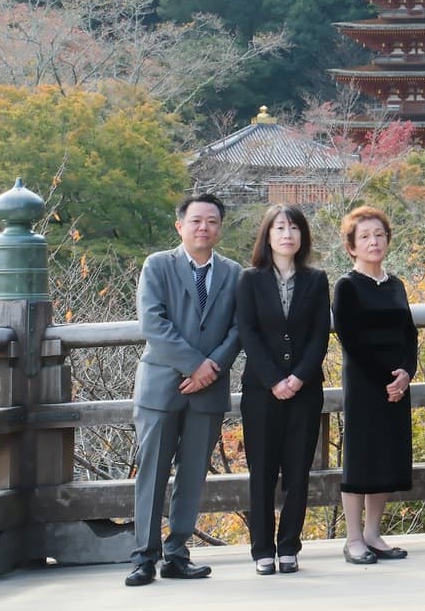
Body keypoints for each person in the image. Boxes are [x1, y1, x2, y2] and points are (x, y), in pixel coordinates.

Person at [125, 194, 242, 587]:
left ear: (220, 227)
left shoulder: (234, 273)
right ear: (180, 226)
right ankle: (144, 556)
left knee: (192, 475)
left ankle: (177, 553)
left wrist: (211, 370)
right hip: (161, 385)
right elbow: (153, 324)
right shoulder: (158, 265)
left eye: (211, 221)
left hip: (208, 389)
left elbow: (239, 329)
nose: (203, 227)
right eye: (195, 221)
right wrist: (195, 365)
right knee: (152, 473)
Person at [235, 204, 331, 574]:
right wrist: (274, 378)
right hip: (261, 391)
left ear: (302, 235)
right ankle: (262, 549)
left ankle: (289, 545)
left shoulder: (316, 279)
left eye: (294, 228)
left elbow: (320, 334)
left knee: (298, 470)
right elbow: (249, 333)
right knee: (261, 470)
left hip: (306, 389)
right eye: (279, 228)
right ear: (267, 235)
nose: (287, 234)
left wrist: (299, 377)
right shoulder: (250, 279)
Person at [333, 207, 416, 564]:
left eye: (379, 235)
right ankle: (353, 539)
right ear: (351, 246)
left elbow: (409, 333)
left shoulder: (396, 284)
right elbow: (351, 339)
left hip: (397, 383)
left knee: (386, 457)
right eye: (365, 236)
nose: (373, 241)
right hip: (366, 383)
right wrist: (387, 378)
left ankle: (373, 534)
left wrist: (406, 374)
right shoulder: (347, 285)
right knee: (361, 459)